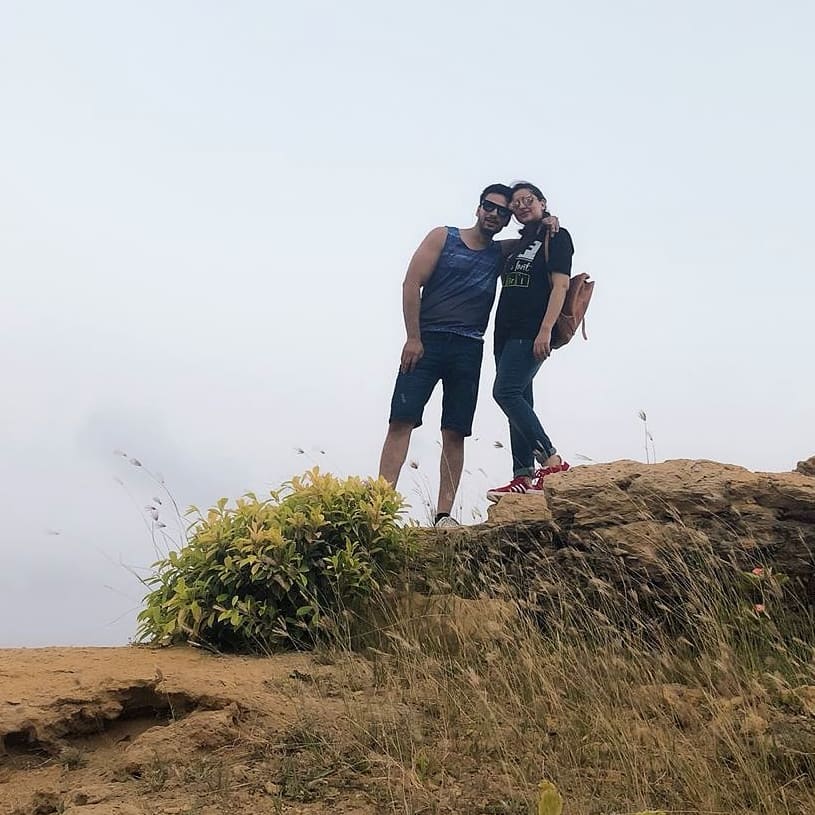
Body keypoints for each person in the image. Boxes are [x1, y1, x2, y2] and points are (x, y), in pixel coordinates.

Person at [487, 182, 573, 501]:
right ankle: (522, 477)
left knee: (505, 392)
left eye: (528, 200)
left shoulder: (557, 237)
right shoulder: (520, 242)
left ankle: (551, 461)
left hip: (531, 331)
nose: (522, 205)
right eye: (516, 203)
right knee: (520, 401)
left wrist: (545, 330)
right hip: (504, 333)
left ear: (542, 201)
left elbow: (560, 287)